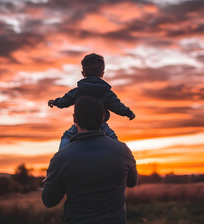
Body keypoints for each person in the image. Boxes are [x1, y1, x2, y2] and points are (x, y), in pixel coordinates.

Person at [42, 96, 138, 224]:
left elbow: (49, 200)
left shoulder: (60, 158)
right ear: (103, 117)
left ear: (75, 118)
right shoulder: (123, 151)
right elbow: (132, 182)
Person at [48, 53, 136, 150]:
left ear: (83, 74)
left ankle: (61, 159)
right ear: (102, 73)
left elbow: (65, 101)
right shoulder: (106, 92)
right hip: (100, 125)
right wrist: (129, 113)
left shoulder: (78, 91)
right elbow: (117, 106)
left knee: (67, 137)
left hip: (80, 125)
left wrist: (55, 102)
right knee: (114, 141)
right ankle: (120, 158)